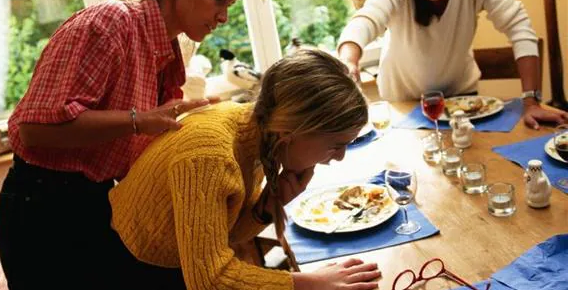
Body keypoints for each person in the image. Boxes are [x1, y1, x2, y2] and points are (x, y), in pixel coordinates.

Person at [0, 0, 257, 290]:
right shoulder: (109, 23)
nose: (223, 16)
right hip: (43, 214)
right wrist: (139, 121)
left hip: (96, 204)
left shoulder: (166, 55)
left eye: (228, 4)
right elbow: (33, 129)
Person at [106, 49, 381, 290]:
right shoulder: (209, 156)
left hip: (173, 265)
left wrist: (268, 207)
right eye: (335, 145)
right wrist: (312, 283)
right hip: (134, 271)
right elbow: (210, 279)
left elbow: (225, 233)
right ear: (292, 131)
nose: (340, 157)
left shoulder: (258, 132)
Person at [338, 0, 568, 129]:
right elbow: (367, 19)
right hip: (403, 107)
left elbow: (519, 27)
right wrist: (349, 61)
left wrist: (532, 102)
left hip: (464, 104)